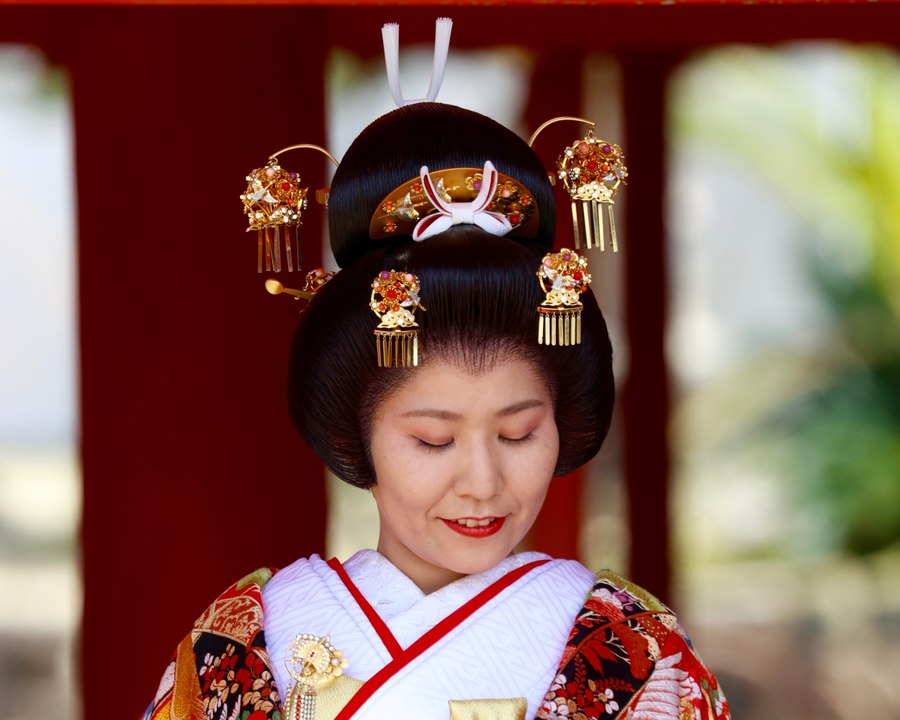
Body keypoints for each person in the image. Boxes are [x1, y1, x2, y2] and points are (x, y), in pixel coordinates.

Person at [142, 28, 730, 720]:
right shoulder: (250, 642)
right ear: (356, 437)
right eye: (432, 440)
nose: (482, 483)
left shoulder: (629, 649)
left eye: (517, 435)